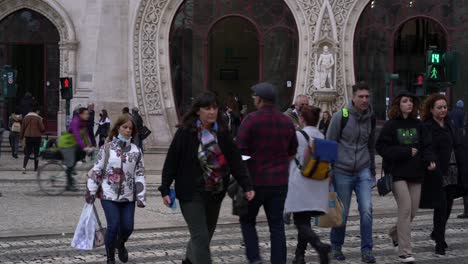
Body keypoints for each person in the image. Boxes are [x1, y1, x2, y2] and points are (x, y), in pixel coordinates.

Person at [159, 92, 254, 264]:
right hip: (190, 193)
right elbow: (171, 161)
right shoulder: (185, 133)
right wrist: (165, 188)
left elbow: (235, 161)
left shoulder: (223, 134)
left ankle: (188, 261)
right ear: (198, 111)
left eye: (214, 108)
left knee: (204, 236)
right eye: (207, 108)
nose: (212, 112)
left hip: (214, 192)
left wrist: (247, 185)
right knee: (200, 237)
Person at [237, 82, 298, 264]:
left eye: (255, 96)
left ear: (260, 99)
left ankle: (255, 259)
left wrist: (247, 168)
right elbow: (293, 150)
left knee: (247, 221)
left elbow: (240, 151)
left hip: (254, 182)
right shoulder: (286, 121)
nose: (254, 99)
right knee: (277, 226)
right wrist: (280, 163)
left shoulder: (250, 120)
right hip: (279, 183)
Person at [376, 90, 435, 263]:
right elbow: (381, 147)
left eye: (411, 101)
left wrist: (430, 159)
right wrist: (404, 151)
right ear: (398, 104)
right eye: (405, 101)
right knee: (405, 209)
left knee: (413, 211)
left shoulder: (419, 125)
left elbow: (427, 145)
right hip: (397, 173)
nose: (409, 104)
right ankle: (405, 251)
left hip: (416, 173)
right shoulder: (391, 125)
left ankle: (395, 232)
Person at [326, 81, 376, 263]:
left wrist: (371, 170)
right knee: (343, 213)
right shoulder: (342, 115)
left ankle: (367, 250)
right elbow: (329, 143)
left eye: (367, 97)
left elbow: (371, 145)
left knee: (367, 210)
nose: (364, 100)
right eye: (361, 96)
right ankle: (336, 246)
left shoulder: (370, 116)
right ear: (353, 98)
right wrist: (329, 171)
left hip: (362, 170)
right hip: (342, 171)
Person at [86, 114, 146, 264]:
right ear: (118, 128)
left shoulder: (136, 151)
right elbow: (97, 170)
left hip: (128, 196)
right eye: (124, 127)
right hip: (108, 195)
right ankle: (110, 257)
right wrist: (91, 191)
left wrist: (141, 195)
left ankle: (120, 243)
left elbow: (139, 174)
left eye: (130, 128)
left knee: (128, 227)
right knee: (113, 225)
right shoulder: (106, 148)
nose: (127, 131)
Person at [419, 93, 468, 256]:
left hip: (454, 169)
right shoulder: (427, 126)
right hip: (438, 171)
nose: (442, 110)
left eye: (445, 107)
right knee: (440, 206)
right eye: (439, 107)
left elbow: (458, 144)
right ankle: (440, 241)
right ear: (431, 109)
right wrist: (430, 161)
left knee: (448, 205)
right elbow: (426, 147)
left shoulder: (449, 124)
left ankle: (436, 233)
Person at [284, 105, 331, 264]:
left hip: (300, 184)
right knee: (305, 222)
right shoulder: (322, 137)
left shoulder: (297, 135)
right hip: (318, 185)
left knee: (300, 222)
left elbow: (287, 156)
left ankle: (319, 245)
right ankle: (299, 256)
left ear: (302, 119)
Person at [62, 107, 92, 191]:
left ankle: (71, 170)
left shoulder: (83, 122)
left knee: (79, 156)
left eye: (88, 114)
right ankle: (69, 184)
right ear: (80, 114)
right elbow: (77, 135)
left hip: (72, 144)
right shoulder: (75, 121)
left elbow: (86, 134)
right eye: (86, 114)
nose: (88, 115)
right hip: (66, 143)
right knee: (71, 164)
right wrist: (84, 147)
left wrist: (90, 145)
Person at [20, 104, 45, 174]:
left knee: (27, 153)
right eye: (38, 112)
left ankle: (24, 168)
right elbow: (42, 128)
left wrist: (21, 137)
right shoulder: (38, 118)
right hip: (37, 137)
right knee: (36, 153)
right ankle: (35, 169)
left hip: (28, 137)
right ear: (37, 111)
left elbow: (22, 128)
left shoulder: (25, 117)